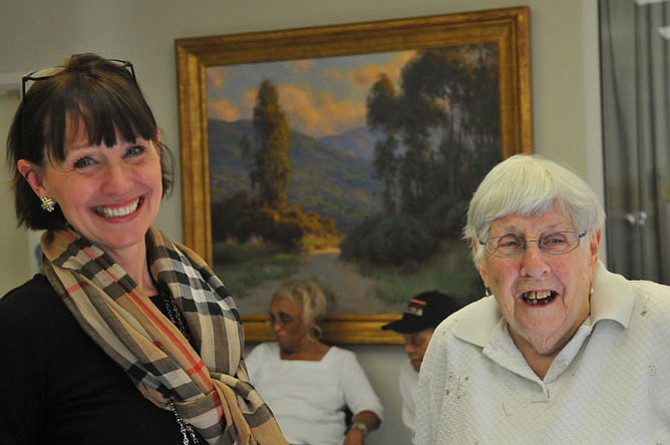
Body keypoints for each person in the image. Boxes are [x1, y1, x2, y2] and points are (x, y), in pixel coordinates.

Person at [0, 53, 287, 445]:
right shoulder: (20, 328)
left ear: (157, 148)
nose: (118, 183)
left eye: (134, 150)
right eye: (86, 160)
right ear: (38, 182)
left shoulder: (204, 295)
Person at [414, 153, 670, 444]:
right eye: (510, 243)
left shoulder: (661, 321)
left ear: (593, 248)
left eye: (555, 240)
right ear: (481, 260)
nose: (534, 266)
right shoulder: (452, 341)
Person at [245, 279, 383, 445]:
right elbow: (233, 395)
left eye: (285, 318)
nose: (276, 327)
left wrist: (358, 429)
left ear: (310, 319)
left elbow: (370, 408)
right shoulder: (263, 354)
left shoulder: (340, 361)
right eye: (273, 319)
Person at [380, 290, 461, 434]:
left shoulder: (477, 371)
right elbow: (418, 434)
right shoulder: (408, 370)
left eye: (417, 341)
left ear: (448, 336)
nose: (408, 349)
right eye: (405, 341)